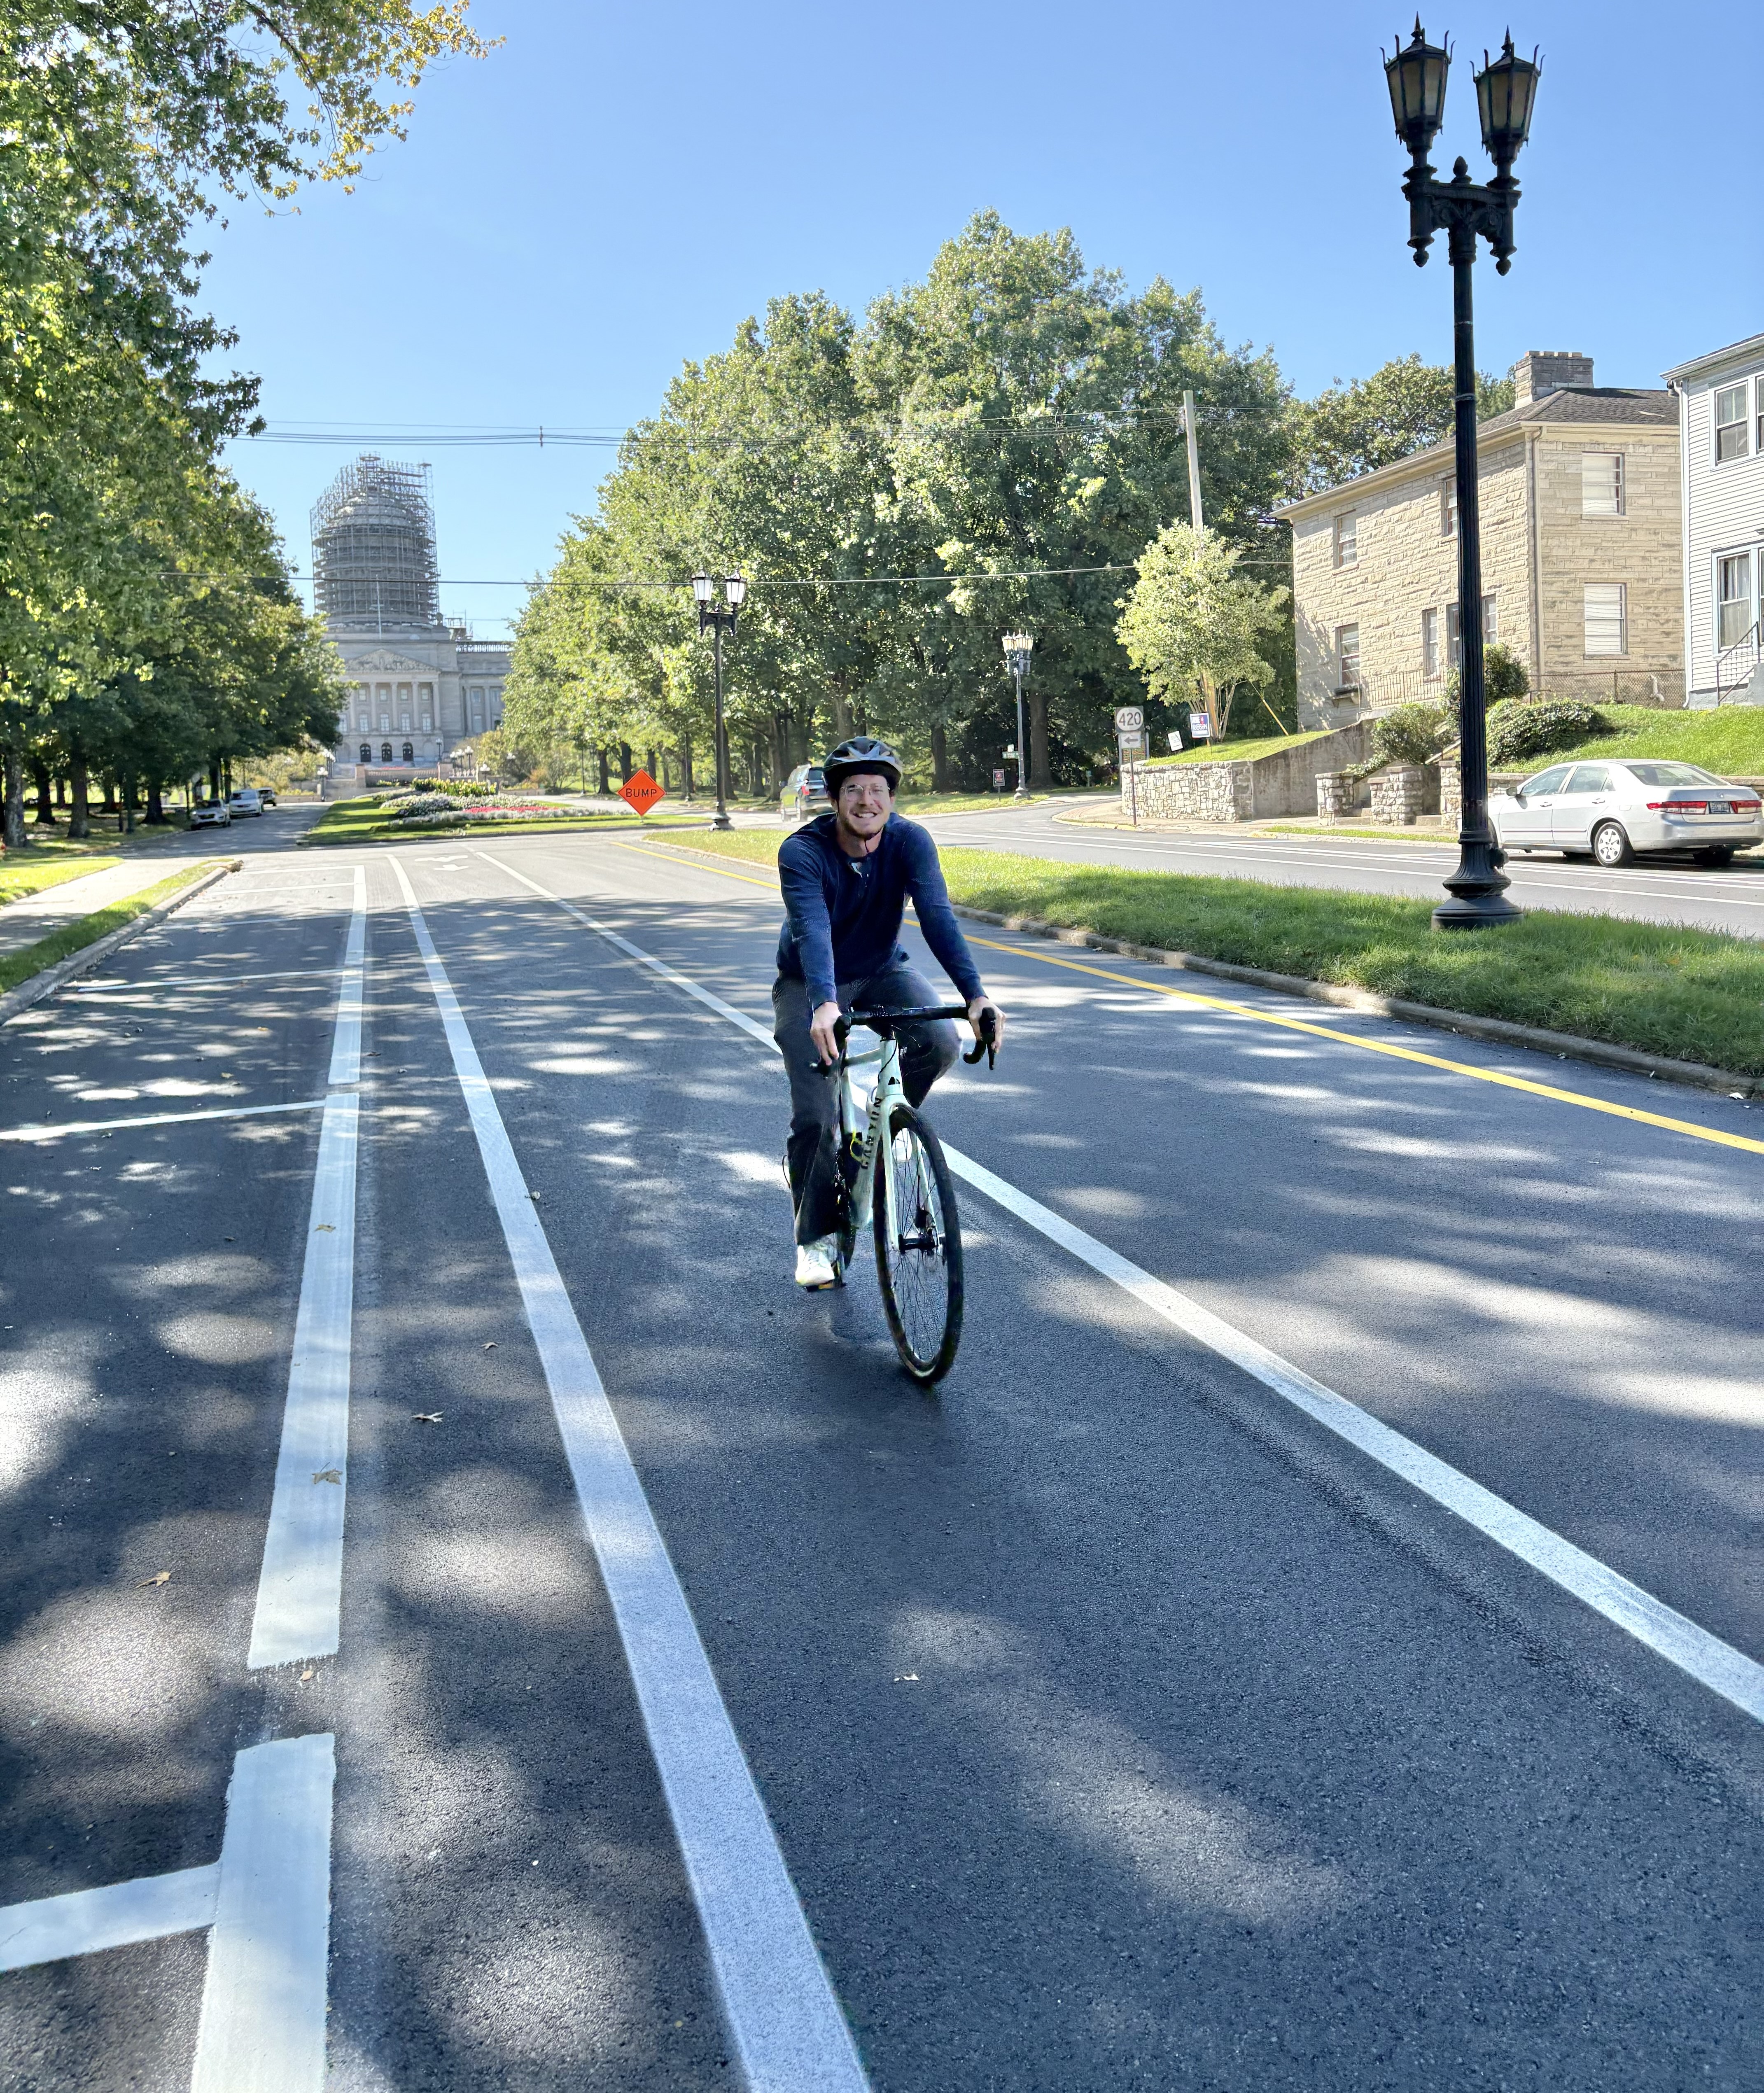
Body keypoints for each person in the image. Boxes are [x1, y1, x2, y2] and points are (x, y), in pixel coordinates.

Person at [773, 737, 1005, 1289]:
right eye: (853, 789)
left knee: (942, 1043)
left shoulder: (910, 842)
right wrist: (826, 1004)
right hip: (810, 980)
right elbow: (812, 930)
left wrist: (976, 995)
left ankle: (880, 1133)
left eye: (878, 790)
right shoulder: (802, 853)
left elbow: (938, 917)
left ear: (892, 799)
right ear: (834, 800)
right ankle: (817, 1239)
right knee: (816, 1117)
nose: (867, 800)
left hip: (882, 968)